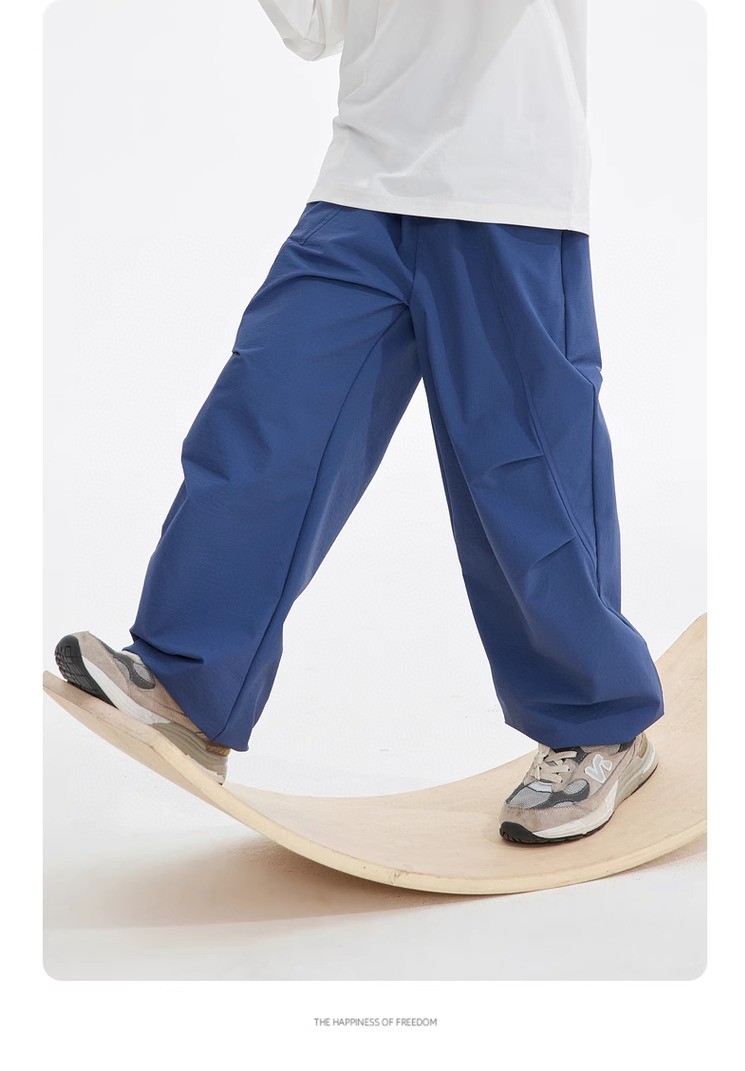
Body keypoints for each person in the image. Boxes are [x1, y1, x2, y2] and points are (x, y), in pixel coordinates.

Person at [54, 0, 664, 845]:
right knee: (267, 415)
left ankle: (601, 725)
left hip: (506, 179)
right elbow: (313, 25)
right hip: (364, 180)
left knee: (527, 476)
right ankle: (188, 681)